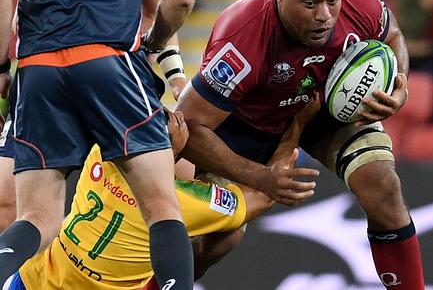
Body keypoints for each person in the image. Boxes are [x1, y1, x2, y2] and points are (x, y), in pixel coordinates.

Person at [177, 0, 425, 289]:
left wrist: (400, 83)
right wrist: (260, 176)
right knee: (217, 241)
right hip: (246, 130)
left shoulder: (357, 0)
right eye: (310, 2)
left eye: (331, 0)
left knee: (382, 185)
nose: (324, 14)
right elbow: (188, 125)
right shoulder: (243, 40)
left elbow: (392, 34)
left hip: (324, 107)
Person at [0, 0, 196, 288]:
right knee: (162, 210)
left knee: (37, 217)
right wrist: (149, 46)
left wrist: (0, 67)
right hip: (111, 66)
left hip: (36, 71)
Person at [4, 93, 316, 290]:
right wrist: (297, 128)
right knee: (231, 233)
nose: (178, 117)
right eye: (172, 122)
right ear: (161, 146)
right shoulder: (187, 203)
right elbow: (262, 196)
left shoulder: (101, 153)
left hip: (32, 281)